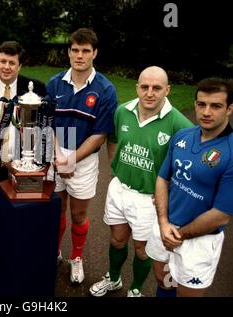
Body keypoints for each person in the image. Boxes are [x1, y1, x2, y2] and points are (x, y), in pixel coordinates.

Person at [88, 66, 193, 297]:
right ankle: (114, 279)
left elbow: (189, 166)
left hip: (149, 199)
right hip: (119, 190)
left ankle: (135, 289)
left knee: (142, 250)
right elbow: (113, 139)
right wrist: (116, 169)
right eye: (144, 87)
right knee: (116, 240)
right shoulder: (122, 111)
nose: (149, 93)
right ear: (137, 87)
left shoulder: (180, 124)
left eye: (156, 88)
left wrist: (169, 193)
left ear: (167, 89)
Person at [145, 77, 233, 297]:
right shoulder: (183, 136)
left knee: (186, 294)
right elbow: (163, 178)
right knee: (163, 282)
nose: (206, 112)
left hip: (198, 242)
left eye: (216, 106)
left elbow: (221, 215)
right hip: (165, 228)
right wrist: (163, 223)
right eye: (201, 104)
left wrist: (178, 235)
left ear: (230, 109)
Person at [46, 28, 118, 284]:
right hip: (55, 157)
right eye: (75, 50)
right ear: (68, 52)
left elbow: (100, 134)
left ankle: (76, 257)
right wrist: (58, 156)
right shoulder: (54, 83)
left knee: (78, 214)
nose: (79, 55)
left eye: (85, 50)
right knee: (56, 211)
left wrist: (72, 158)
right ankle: (53, 252)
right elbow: (49, 124)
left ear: (94, 53)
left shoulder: (105, 89)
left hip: (84, 161)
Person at [0, 41, 46, 251]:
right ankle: (1, 256)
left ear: (19, 65)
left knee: (24, 213)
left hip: (24, 164)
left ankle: (21, 254)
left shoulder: (36, 88)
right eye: (2, 61)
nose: (6, 66)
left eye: (12, 62)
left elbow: (39, 125)